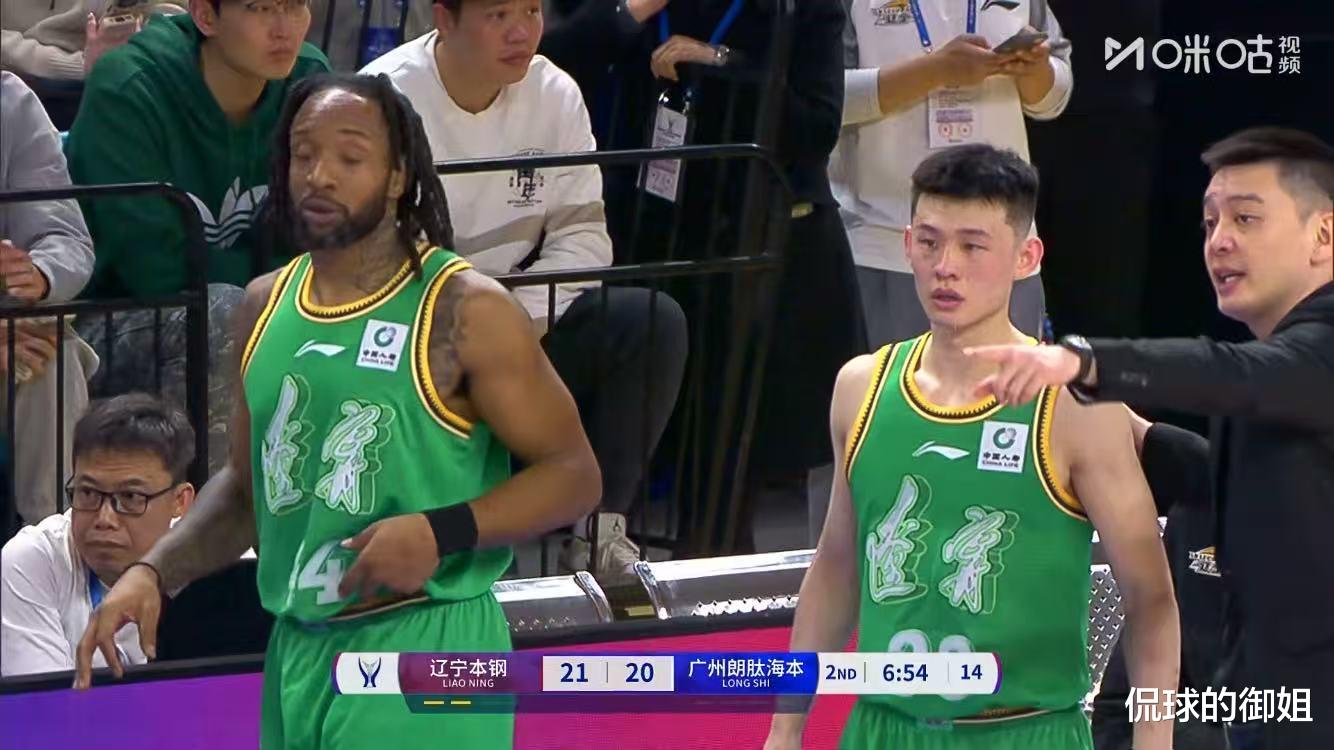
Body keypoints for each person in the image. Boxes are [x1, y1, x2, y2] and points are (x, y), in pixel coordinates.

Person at [73, 73, 600, 750]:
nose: (319, 175)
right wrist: (154, 571)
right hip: (298, 647)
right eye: (303, 154)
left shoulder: (464, 310)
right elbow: (248, 489)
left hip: (426, 639)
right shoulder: (263, 305)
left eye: (350, 157)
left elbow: (573, 473)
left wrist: (441, 532)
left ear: (397, 175)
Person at [764, 144, 1178, 750]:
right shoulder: (861, 388)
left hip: (1026, 732)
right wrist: (785, 728)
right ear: (907, 245)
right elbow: (837, 567)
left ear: (1026, 257)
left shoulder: (1074, 405)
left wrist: (1154, 741)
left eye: (972, 246)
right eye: (930, 243)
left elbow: (1152, 598)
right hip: (883, 730)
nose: (946, 267)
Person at [963, 127, 1334, 749]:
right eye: (1210, 222)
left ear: (1324, 235)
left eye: (1246, 218)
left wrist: (1084, 362)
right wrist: (1131, 433)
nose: (1220, 240)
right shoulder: (1277, 382)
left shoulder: (1301, 360)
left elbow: (1228, 373)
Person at [361, 0, 687, 582]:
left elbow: (584, 238)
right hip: (416, 327)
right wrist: (471, 329)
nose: (521, 32)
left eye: (532, 10)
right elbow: (372, 257)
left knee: (649, 321)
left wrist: (515, 323)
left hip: (522, 315)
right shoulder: (382, 97)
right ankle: (450, 540)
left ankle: (598, 532)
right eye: (498, 15)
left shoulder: (555, 91)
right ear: (444, 19)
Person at [64, 2, 329, 475]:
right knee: (224, 311)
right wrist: (273, 288)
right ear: (206, 16)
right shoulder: (129, 88)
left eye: (297, 6)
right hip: (110, 326)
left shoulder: (311, 84)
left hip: (265, 310)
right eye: (262, 8)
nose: (284, 29)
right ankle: (209, 513)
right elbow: (155, 271)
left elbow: (323, 243)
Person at [831, 0, 1072, 349]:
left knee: (1009, 384)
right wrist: (934, 71)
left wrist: (1036, 71)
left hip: (1001, 248)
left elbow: (1054, 97)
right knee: (892, 381)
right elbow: (826, 95)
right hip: (885, 242)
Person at [1, 393, 195, 676]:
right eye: (88, 493)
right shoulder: (32, 561)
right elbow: (47, 701)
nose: (104, 519)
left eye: (130, 497)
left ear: (180, 501)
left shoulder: (215, 561)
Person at [1, 70, 98, 526]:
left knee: (47, 356)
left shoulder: (10, 102)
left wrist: (38, 275)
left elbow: (66, 237)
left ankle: (52, 545)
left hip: (8, 334)